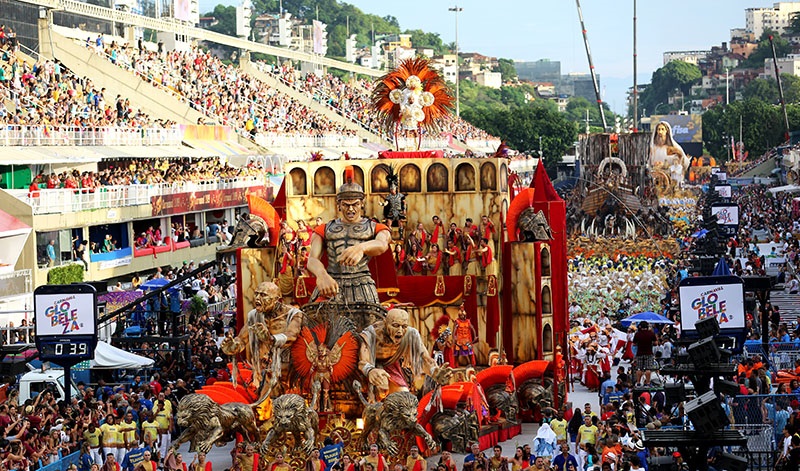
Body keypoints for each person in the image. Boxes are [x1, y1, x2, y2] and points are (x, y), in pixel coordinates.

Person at [307, 169, 391, 305]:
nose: (351, 209)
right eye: (346, 205)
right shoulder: (324, 228)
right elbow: (312, 259)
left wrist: (362, 247)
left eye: (355, 204)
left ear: (362, 203)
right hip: (331, 282)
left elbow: (382, 244)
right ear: (339, 204)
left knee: (370, 324)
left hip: (362, 284)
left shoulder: (375, 227)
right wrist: (321, 275)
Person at [221, 281, 303, 400]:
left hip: (290, 375)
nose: (257, 298)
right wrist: (233, 346)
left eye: (263, 295)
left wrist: (270, 339)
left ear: (276, 299)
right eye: (256, 294)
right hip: (266, 373)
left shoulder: (293, 314)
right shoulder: (254, 316)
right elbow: (242, 339)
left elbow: (291, 336)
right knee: (264, 408)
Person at [359, 308, 450, 395]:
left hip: (392, 366)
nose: (400, 331)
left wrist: (434, 372)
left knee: (404, 397)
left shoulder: (411, 334)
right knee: (381, 387)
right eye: (395, 326)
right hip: (370, 369)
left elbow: (424, 359)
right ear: (385, 323)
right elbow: (363, 362)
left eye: (404, 326)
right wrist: (370, 370)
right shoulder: (371, 334)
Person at [650, 121, 689, 186]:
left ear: (666, 131)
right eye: (658, 129)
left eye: (662, 129)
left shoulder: (673, 147)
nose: (660, 132)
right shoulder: (654, 148)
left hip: (671, 179)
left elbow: (683, 162)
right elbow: (650, 163)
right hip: (656, 178)